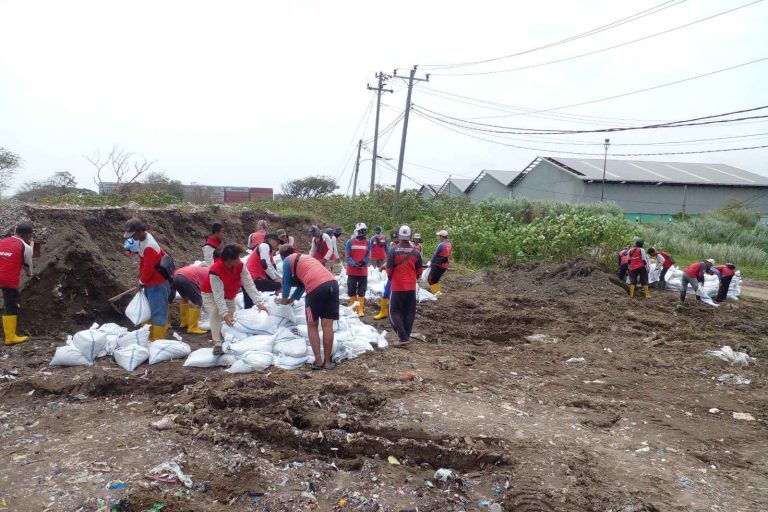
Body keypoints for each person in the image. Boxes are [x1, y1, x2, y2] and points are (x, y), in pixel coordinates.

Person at [279, 244, 339, 370]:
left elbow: (286, 283)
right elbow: (301, 287)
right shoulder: (305, 259)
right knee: (328, 325)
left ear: (282, 256)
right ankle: (327, 362)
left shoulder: (287, 261)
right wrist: (292, 299)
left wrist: (284, 300)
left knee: (312, 324)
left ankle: (318, 361)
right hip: (332, 284)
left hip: (315, 288)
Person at [201, 244, 266, 355]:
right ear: (228, 260)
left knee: (231, 318)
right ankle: (217, 343)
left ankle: (229, 340)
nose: (239, 260)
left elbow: (249, 284)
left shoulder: (240, 266)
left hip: (230, 294)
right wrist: (224, 313)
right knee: (216, 313)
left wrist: (259, 303)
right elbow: (218, 294)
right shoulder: (215, 271)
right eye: (236, 258)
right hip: (210, 293)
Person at [123, 218, 171, 341]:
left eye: (134, 235)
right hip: (150, 282)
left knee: (158, 312)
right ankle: (147, 338)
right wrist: (142, 280)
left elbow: (148, 268)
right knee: (149, 310)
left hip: (157, 283)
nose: (133, 238)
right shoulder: (143, 239)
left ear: (140, 231)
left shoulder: (149, 246)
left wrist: (141, 282)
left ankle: (158, 341)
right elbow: (144, 264)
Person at [387, 225, 423, 347]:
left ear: (399, 236)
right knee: (409, 312)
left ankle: (403, 338)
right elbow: (419, 271)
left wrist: (392, 279)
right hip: (411, 287)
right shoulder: (416, 252)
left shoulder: (393, 250)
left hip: (397, 287)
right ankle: (406, 336)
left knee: (394, 312)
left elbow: (389, 270)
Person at [0, 223, 34, 345]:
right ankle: (10, 337)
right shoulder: (26, 247)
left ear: (15, 231)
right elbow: (29, 270)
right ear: (28, 235)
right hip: (8, 279)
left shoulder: (2, 241)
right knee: (11, 305)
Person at [245, 232, 283, 308]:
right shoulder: (264, 246)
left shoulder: (267, 250)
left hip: (249, 279)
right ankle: (275, 300)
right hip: (253, 279)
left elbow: (271, 267)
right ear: (270, 240)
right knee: (279, 285)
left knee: (249, 306)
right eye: (277, 241)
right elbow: (265, 265)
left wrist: (280, 278)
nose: (278, 244)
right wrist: (276, 279)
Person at [172, 265, 209, 335]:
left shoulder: (200, 269)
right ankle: (193, 327)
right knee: (198, 302)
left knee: (185, 297)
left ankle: (184, 322)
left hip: (176, 275)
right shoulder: (211, 274)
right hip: (188, 278)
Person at [345, 223, 370, 317]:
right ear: (358, 231)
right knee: (351, 290)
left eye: (364, 231)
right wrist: (354, 263)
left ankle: (360, 309)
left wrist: (364, 262)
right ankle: (353, 308)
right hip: (352, 271)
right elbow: (347, 256)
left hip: (363, 271)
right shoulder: (350, 242)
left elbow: (368, 254)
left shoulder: (368, 242)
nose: (363, 233)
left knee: (362, 291)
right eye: (362, 231)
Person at [373, 230, 399, 321]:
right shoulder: (393, 245)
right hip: (392, 275)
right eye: (394, 239)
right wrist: (385, 266)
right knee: (386, 293)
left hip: (400, 275)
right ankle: (383, 312)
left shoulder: (407, 247)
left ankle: (398, 313)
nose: (396, 240)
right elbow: (390, 260)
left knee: (398, 295)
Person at [427, 229, 452, 295]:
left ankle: (436, 293)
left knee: (431, 280)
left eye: (439, 236)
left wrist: (430, 262)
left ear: (442, 236)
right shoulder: (449, 244)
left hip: (438, 264)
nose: (439, 237)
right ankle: (437, 292)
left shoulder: (441, 245)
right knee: (436, 279)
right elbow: (449, 255)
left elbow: (435, 254)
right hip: (444, 265)